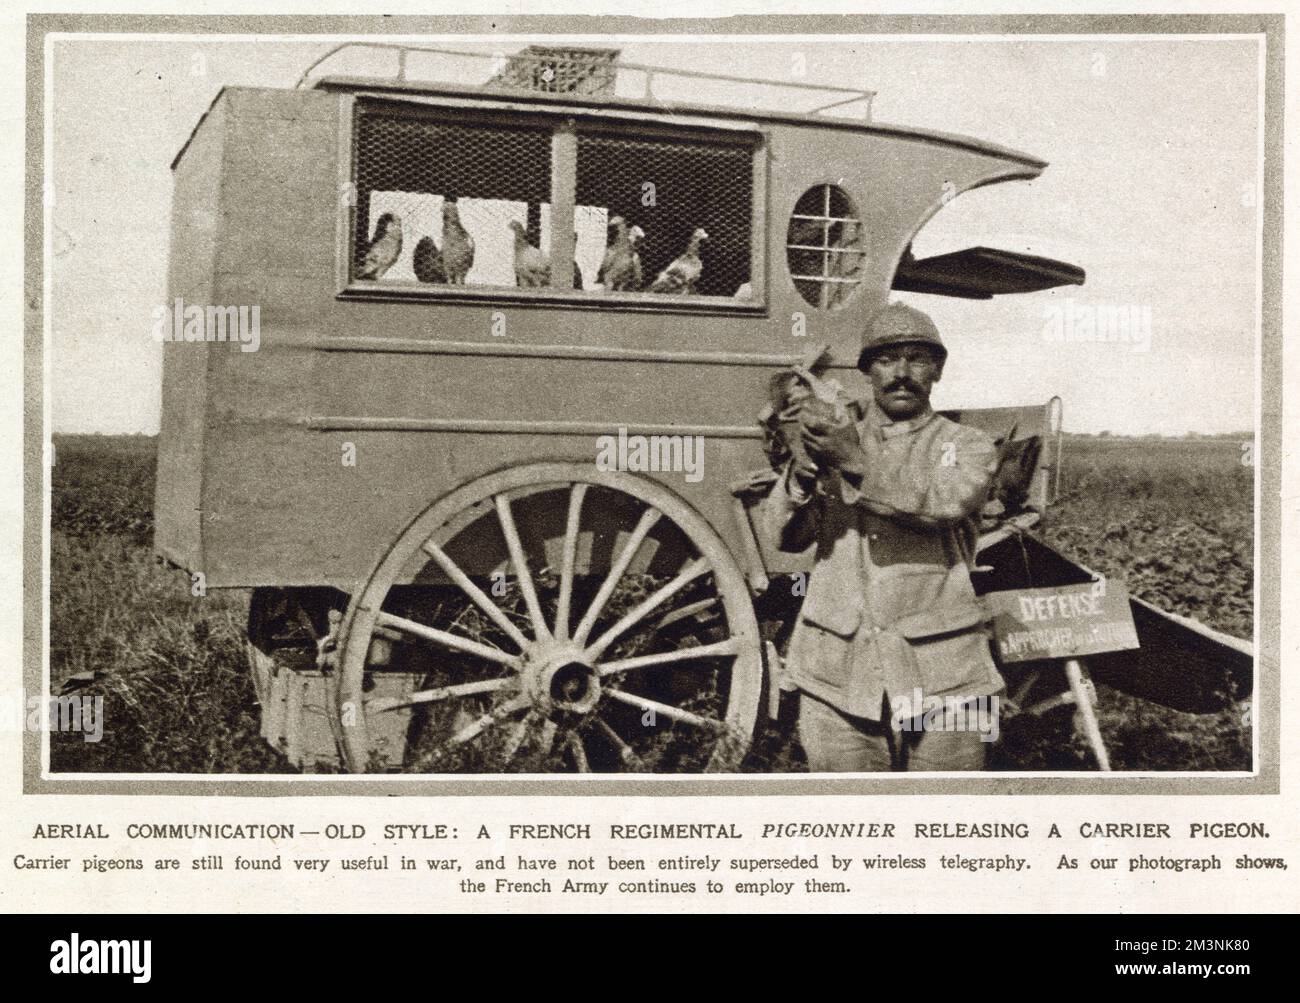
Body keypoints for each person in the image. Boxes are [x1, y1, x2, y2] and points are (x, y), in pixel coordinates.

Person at [764, 302, 1004, 772]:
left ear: (937, 370)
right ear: (868, 372)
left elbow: (942, 504)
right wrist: (804, 472)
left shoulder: (965, 445)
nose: (901, 373)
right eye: (887, 360)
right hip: (835, 677)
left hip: (946, 680)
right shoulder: (835, 440)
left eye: (917, 359)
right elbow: (786, 538)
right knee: (850, 825)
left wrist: (851, 460)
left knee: (944, 826)